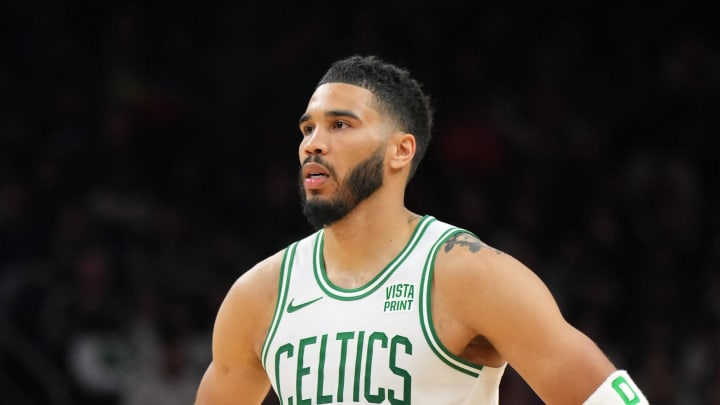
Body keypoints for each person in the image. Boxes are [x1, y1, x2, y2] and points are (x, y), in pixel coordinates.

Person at [195, 55, 648, 404]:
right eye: (308, 128)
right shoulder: (258, 297)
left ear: (400, 150)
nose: (313, 143)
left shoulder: (468, 275)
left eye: (339, 125)